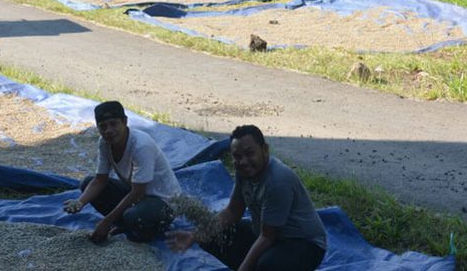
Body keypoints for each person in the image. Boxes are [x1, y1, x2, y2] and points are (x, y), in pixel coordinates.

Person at [167, 125, 327, 271]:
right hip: (266, 234)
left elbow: (267, 237)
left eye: (250, 153)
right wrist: (195, 235)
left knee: (268, 265)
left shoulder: (278, 181)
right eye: (237, 156)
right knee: (216, 236)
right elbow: (232, 211)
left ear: (265, 150)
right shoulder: (243, 172)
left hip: (303, 243)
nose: (243, 161)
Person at [63, 101, 181, 243]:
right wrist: (80, 202)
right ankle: (125, 225)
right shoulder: (104, 143)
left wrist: (106, 222)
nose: (109, 131)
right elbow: (100, 180)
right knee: (86, 183)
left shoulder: (141, 145)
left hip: (163, 202)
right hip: (136, 193)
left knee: (132, 216)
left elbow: (138, 192)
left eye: (113, 124)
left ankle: (147, 230)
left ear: (125, 122)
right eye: (103, 126)